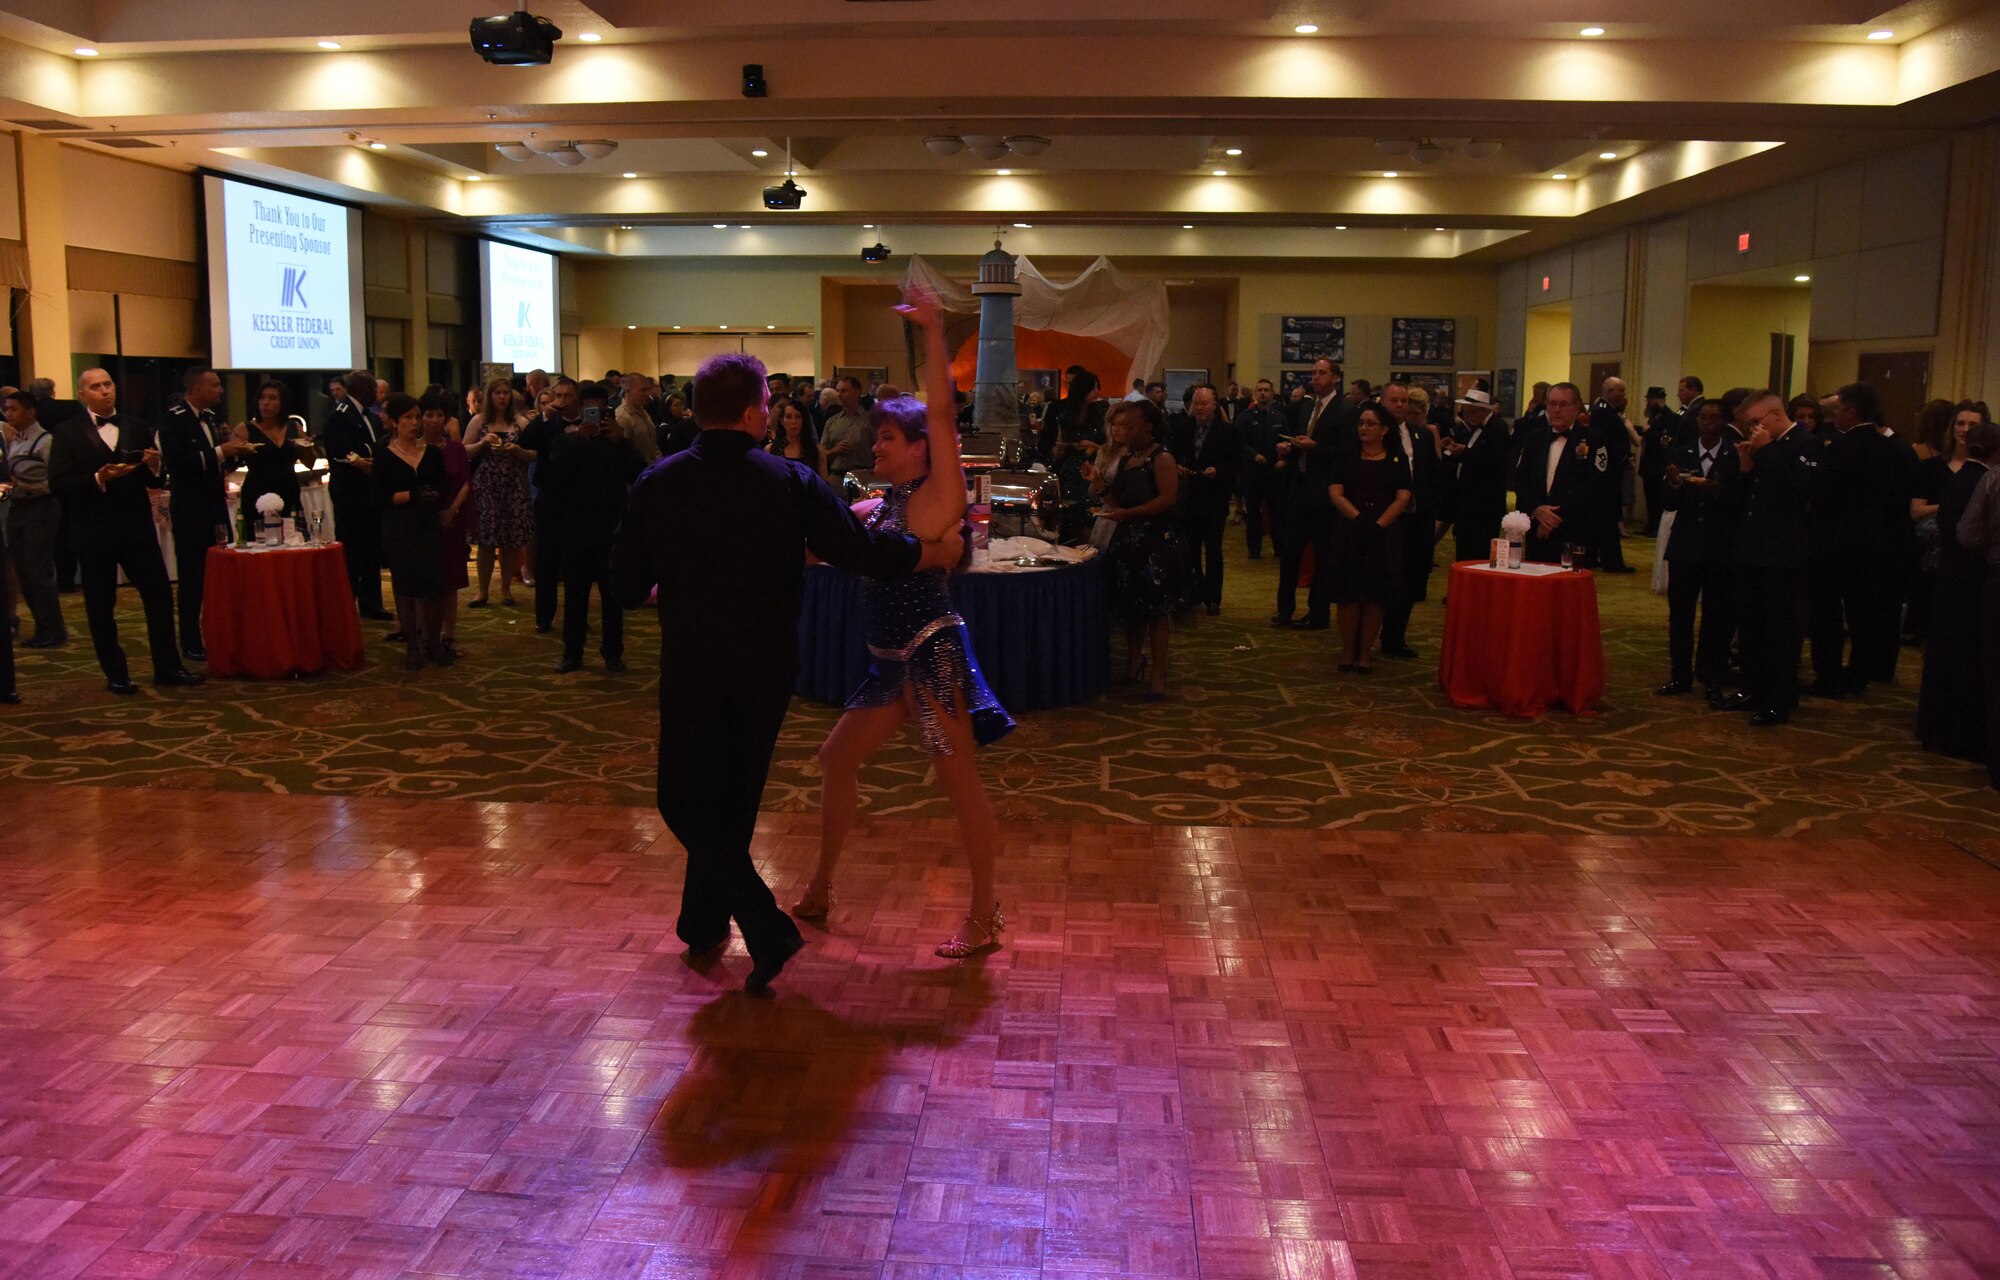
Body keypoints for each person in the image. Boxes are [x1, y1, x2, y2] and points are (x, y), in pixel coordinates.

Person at [608, 352, 962, 993]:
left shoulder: (658, 482)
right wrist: (928, 552)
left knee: (686, 797)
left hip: (692, 661)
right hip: (767, 664)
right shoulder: (789, 481)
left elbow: (627, 583)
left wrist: (675, 574)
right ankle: (721, 922)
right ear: (749, 413)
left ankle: (723, 920)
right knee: (731, 796)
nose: (771, 415)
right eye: (767, 405)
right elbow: (858, 553)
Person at [800, 294, 1012, 958]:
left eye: (888, 437)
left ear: (922, 449)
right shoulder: (883, 504)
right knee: (837, 758)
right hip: (887, 663)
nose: (876, 444)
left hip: (930, 656)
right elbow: (828, 547)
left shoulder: (937, 500)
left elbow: (945, 412)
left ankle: (984, 915)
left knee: (960, 785)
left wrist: (930, 333)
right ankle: (820, 887)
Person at [46, 368, 203, 694]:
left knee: (159, 597)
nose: (104, 391)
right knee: (101, 606)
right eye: (95, 387)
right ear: (82, 395)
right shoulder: (66, 432)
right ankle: (116, 673)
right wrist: (99, 479)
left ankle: (168, 666)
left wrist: (155, 466)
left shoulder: (136, 425)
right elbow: (58, 484)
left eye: (108, 384)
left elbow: (153, 481)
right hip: (93, 531)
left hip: (136, 529)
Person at [1723, 389, 1823, 727]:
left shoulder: (1806, 444)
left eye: (1755, 422)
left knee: (1779, 630)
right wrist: (1745, 466)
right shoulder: (1769, 447)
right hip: (1752, 551)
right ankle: (1752, 689)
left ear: (1775, 415)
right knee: (1751, 626)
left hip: (1782, 555)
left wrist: (1765, 454)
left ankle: (1778, 698)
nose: (1751, 429)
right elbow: (1746, 500)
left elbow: (1797, 491)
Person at [1813, 382, 1918, 696]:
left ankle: (1828, 674)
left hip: (1835, 542)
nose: (1834, 417)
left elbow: (1823, 495)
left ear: (1850, 411)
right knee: (1863, 612)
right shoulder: (1892, 448)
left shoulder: (1841, 448)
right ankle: (1860, 672)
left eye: (1838, 410)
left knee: (1829, 613)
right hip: (1872, 540)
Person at [1087, 398, 1187, 698]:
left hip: (1155, 541)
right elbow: (1116, 501)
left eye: (1131, 425)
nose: (1125, 430)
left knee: (1156, 611)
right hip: (1128, 539)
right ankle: (1133, 661)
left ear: (1148, 427)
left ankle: (1158, 671)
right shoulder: (1129, 457)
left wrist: (1127, 515)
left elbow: (1167, 499)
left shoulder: (1161, 457)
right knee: (1132, 607)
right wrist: (1099, 484)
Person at [542, 382, 644, 674]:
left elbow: (639, 472)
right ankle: (572, 653)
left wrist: (620, 441)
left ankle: (613, 653)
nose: (594, 415)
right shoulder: (566, 441)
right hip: (575, 528)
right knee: (575, 596)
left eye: (600, 410)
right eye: (590, 409)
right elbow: (555, 478)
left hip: (611, 527)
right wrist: (578, 441)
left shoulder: (615, 440)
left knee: (613, 597)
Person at [1919, 421, 1999, 759]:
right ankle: (1956, 733)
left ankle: (1935, 727)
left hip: (1952, 577)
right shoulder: (1980, 480)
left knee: (1945, 656)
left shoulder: (1961, 477)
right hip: (1968, 580)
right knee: (1964, 660)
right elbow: (1969, 535)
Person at [160, 366, 249, 659]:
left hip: (214, 506)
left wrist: (232, 455)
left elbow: (214, 463)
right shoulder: (174, 420)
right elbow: (178, 463)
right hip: (190, 509)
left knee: (221, 571)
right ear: (196, 389)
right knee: (192, 577)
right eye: (215, 385)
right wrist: (222, 451)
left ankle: (219, 632)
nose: (221, 390)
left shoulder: (209, 419)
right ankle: (190, 640)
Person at [1656, 399, 1739, 699]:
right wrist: (1676, 485)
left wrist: (1719, 491)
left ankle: (1711, 673)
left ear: (1724, 422)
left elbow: (1741, 501)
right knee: (1680, 615)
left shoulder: (1735, 454)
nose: (1707, 423)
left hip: (1721, 546)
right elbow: (1667, 502)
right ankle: (1680, 674)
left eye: (1714, 418)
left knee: (1717, 614)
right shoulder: (1680, 453)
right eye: (1703, 418)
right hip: (1686, 546)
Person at [1327, 402, 1413, 674]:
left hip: (1383, 533)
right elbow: (1335, 492)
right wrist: (1359, 520)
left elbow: (1403, 497)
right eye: (1361, 423)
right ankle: (1348, 650)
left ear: (1385, 429)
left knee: (1375, 595)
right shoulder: (1346, 456)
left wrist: (1378, 525)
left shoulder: (1396, 459)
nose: (1364, 428)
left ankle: (1365, 653)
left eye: (1370, 423)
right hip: (1350, 531)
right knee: (1349, 593)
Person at [373, 393, 449, 670]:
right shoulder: (384, 455)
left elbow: (443, 487)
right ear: (395, 421)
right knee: (405, 587)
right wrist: (411, 495)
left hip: (427, 524)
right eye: (408, 417)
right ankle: (412, 645)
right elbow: (380, 497)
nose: (415, 422)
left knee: (433, 586)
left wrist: (432, 495)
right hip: (399, 526)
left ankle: (434, 642)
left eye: (417, 417)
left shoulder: (432, 453)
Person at [1272, 358, 1347, 628]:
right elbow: (1299, 440)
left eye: (1322, 373)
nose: (1316, 378)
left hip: (1325, 494)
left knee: (1322, 555)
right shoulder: (1305, 407)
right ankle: (1284, 609)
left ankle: (1318, 612)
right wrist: (1290, 449)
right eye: (1314, 373)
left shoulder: (1343, 409)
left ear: (1336, 377)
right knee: (1290, 552)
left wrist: (1315, 447)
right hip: (1300, 488)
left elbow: (1345, 454)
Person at [1910, 402, 1985, 650]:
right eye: (1960, 423)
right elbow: (1916, 511)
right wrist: (1950, 506)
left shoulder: (1988, 473)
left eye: (1972, 425)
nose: (1964, 430)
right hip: (1933, 558)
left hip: (1972, 560)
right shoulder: (1931, 468)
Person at [321, 369, 390, 621]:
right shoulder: (341, 415)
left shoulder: (368, 417)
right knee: (351, 550)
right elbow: (342, 452)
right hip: (351, 493)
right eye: (373, 389)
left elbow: (374, 446)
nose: (376, 394)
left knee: (372, 549)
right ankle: (347, 604)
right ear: (362, 389)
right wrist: (373, 452)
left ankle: (372, 603)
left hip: (370, 492)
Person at [1511, 382, 1604, 564]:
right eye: (1552, 404)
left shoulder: (1595, 440)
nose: (1556, 410)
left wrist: (1553, 519)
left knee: (1570, 587)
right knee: (1536, 584)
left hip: (1574, 529)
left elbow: (1595, 485)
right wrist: (1537, 510)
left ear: (1577, 407)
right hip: (1537, 528)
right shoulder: (1533, 438)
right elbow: (1520, 480)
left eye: (1563, 404)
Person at [1377, 381, 1438, 658]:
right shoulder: (1370, 435)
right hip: (1383, 518)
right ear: (1383, 403)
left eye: (1404, 401)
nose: (1400, 405)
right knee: (1381, 579)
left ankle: (1395, 636)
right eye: (1394, 400)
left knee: (1410, 578)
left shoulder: (1420, 435)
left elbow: (1430, 477)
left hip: (1416, 519)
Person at [1, 390, 65, 648]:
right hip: (18, 508)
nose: (8, 414)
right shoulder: (14, 439)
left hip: (41, 509)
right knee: (23, 571)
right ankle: (42, 627)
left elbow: (57, 482)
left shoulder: (45, 441)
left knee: (38, 571)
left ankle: (53, 629)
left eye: (13, 409)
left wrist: (24, 485)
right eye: (6, 409)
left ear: (30, 412)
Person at [519, 376, 583, 633]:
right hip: (549, 498)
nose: (562, 401)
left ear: (577, 398)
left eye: (568, 396)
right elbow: (525, 441)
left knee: (577, 564)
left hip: (579, 500)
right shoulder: (548, 422)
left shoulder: (589, 422)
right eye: (559, 396)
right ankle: (544, 617)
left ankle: (577, 617)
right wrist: (544, 417)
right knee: (546, 562)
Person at [463, 379, 532, 609]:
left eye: (505, 393)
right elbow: (464, 451)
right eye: (497, 393)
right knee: (486, 541)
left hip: (513, 484)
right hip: (487, 485)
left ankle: (506, 588)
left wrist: (518, 450)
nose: (502, 397)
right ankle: (482, 591)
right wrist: (482, 443)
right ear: (489, 396)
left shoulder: (520, 422)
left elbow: (534, 453)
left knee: (511, 540)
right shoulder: (479, 420)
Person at [1169, 384, 1237, 615]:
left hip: (1214, 498)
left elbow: (1235, 463)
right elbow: (1172, 456)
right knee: (1190, 549)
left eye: (1204, 403)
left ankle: (1213, 597)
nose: (1199, 408)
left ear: (1214, 405)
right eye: (1196, 403)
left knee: (1214, 550)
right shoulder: (1182, 428)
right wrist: (1177, 467)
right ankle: (1193, 592)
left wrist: (1218, 471)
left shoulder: (1226, 432)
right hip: (1188, 497)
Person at [421, 394, 474, 661]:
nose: (434, 420)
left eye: (439, 415)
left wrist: (452, 510)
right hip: (421, 520)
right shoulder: (413, 448)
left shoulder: (454, 448)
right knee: (424, 581)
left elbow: (466, 481)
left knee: (450, 581)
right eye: (429, 415)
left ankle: (449, 636)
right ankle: (424, 637)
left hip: (451, 519)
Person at [1439, 388, 1510, 566]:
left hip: (1484, 506)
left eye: (1470, 411)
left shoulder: (1497, 429)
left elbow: (1495, 462)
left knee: (1478, 553)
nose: (1466, 415)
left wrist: (1465, 452)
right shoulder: (1476, 429)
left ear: (1482, 410)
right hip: (1469, 503)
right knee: (1465, 550)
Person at [234, 381, 317, 528]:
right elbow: (231, 463)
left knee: (293, 539)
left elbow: (309, 463)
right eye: (262, 398)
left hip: (289, 490)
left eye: (272, 398)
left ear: (283, 402)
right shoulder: (244, 429)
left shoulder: (294, 427)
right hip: (257, 492)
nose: (265, 403)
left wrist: (307, 446)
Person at [1042, 370, 1108, 545]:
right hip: (1068, 470)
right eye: (1092, 388)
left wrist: (1095, 447)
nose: (1097, 392)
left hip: (1092, 468)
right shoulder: (1062, 411)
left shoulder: (1102, 412)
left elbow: (1111, 445)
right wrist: (1063, 447)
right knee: (1069, 517)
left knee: (1090, 515)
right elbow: (1050, 443)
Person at [1587, 377, 1637, 572]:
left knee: (1603, 518)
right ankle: (1611, 561)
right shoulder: (1603, 412)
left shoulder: (1604, 410)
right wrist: (1623, 458)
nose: (1624, 395)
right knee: (1607, 518)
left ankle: (1595, 556)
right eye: (1621, 391)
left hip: (1609, 474)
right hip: (1607, 476)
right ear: (1609, 392)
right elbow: (1605, 443)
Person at [1236, 379, 1286, 560]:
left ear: (1272, 394)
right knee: (1253, 513)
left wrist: (1283, 459)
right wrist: (1253, 455)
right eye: (1260, 390)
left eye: (1267, 390)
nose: (1263, 393)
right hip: (1253, 472)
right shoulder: (1245, 417)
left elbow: (1286, 440)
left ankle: (1279, 548)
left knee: (1277, 512)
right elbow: (1238, 442)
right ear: (1256, 393)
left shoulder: (1279, 417)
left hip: (1274, 471)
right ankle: (1254, 549)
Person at [1638, 385, 1675, 535]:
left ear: (1660, 399)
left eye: (1651, 399)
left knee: (1656, 497)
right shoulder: (1655, 416)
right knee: (1650, 496)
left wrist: (1649, 431)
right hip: (1649, 463)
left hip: (1657, 464)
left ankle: (1655, 526)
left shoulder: (1668, 416)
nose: (1648, 403)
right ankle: (1651, 524)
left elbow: (1664, 440)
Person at [819, 375, 873, 474]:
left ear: (857, 392)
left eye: (844, 391)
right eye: (838, 391)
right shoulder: (832, 422)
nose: (839, 395)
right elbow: (821, 455)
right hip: (837, 475)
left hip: (862, 475)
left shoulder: (870, 421)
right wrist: (835, 450)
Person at [766, 396, 826, 479]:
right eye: (789, 417)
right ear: (782, 421)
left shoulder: (816, 450)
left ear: (803, 420)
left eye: (798, 417)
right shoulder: (771, 449)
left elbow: (824, 485)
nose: (793, 422)